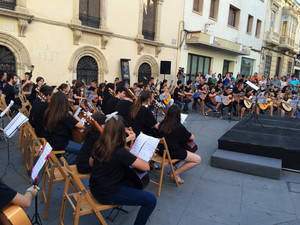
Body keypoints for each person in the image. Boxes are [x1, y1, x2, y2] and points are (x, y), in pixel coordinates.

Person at [90, 115, 156, 225]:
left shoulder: (99, 144)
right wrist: (134, 155)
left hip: (94, 186)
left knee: (131, 180)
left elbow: (91, 163)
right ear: (120, 133)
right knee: (151, 200)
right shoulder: (120, 152)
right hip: (106, 194)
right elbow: (147, 167)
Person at [158, 105, 201, 184]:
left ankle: (174, 168)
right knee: (197, 159)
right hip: (172, 152)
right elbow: (192, 137)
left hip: (161, 151)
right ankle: (174, 174)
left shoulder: (162, 123)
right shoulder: (179, 126)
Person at [44, 92, 84, 164]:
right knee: (85, 150)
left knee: (79, 148)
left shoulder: (49, 111)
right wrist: (75, 117)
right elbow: (80, 125)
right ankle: (64, 166)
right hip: (61, 143)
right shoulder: (64, 115)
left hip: (51, 140)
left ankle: (66, 161)